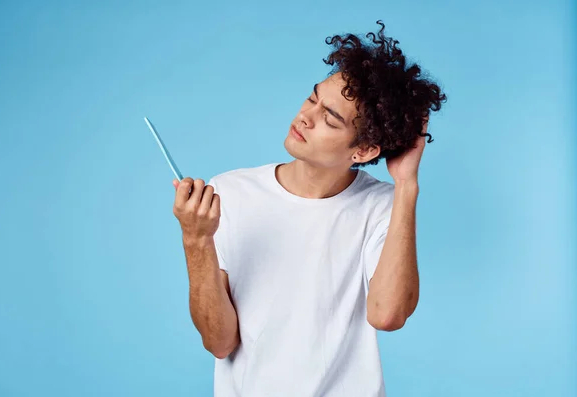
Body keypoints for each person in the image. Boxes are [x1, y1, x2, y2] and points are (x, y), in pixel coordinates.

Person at [171, 20, 446, 397]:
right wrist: (195, 240)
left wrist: (407, 185)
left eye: (330, 119)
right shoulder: (230, 193)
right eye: (312, 99)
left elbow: (387, 314)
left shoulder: (383, 205)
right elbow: (219, 342)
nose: (306, 117)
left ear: (363, 151)